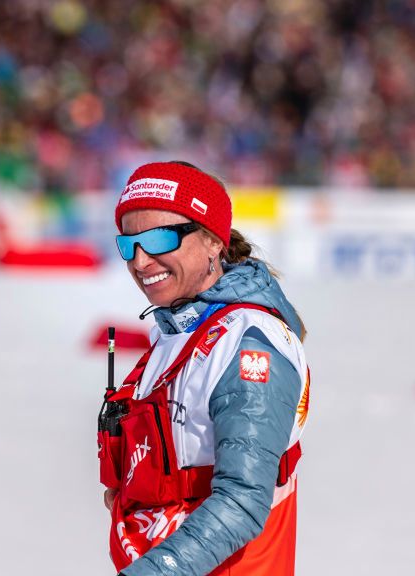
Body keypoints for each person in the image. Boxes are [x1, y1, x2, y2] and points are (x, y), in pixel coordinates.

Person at [99, 161, 311, 575]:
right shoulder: (181, 325)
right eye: (128, 244)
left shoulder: (250, 343)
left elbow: (243, 501)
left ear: (213, 241)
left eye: (160, 239)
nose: (141, 261)